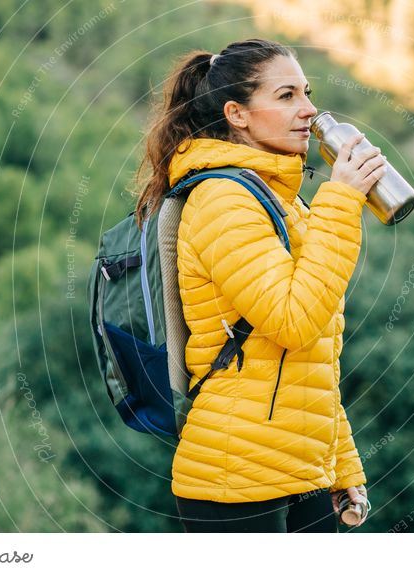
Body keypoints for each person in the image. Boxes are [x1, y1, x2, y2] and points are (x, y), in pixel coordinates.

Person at [132, 38, 386, 533]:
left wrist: (342, 467)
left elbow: (309, 358)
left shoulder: (284, 203)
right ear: (238, 114)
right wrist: (341, 200)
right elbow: (293, 322)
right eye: (287, 95)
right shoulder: (222, 201)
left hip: (303, 472)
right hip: (236, 476)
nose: (309, 111)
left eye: (307, 93)